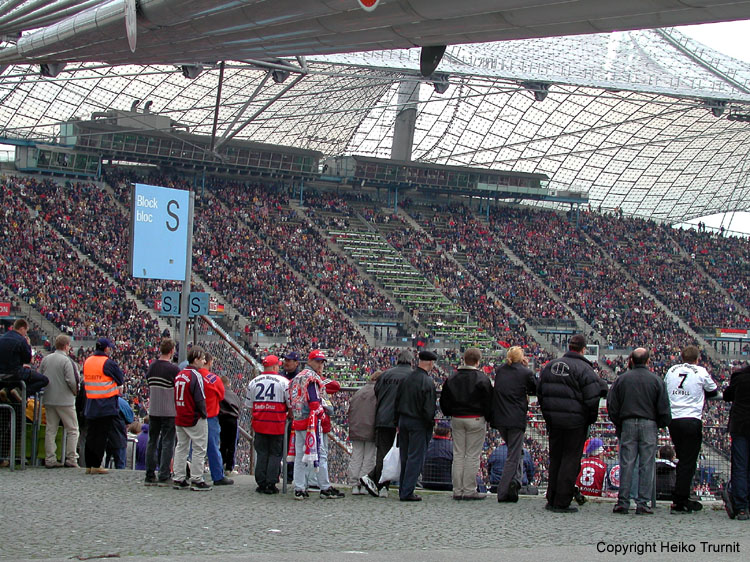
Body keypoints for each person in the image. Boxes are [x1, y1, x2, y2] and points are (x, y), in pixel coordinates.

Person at [537, 334, 603, 513]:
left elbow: (540, 394)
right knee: (570, 460)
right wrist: (588, 419)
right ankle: (562, 500)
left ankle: (551, 497)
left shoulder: (549, 366)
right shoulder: (585, 369)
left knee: (556, 459)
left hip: (554, 421)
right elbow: (592, 398)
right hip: (575, 423)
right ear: (583, 349)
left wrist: (548, 416)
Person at [607, 347, 671, 514]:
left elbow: (612, 404)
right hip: (649, 424)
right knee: (647, 464)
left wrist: (619, 423)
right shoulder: (656, 380)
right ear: (648, 361)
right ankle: (643, 503)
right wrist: (659, 423)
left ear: (631, 360)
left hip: (627, 423)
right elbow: (664, 407)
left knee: (627, 463)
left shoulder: (622, 380)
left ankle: (623, 502)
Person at [664, 345, 718, 513]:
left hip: (674, 419)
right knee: (688, 461)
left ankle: (680, 496)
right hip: (691, 419)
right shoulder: (700, 372)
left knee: (681, 457)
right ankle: (680, 499)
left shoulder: (672, 370)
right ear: (697, 359)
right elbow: (713, 390)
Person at [288, 349, 344, 499]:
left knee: (300, 456)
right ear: (310, 361)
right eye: (317, 361)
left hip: (298, 420)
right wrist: (322, 413)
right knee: (320, 454)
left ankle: (299, 487)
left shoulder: (296, 377)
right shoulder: (311, 377)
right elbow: (314, 401)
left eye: (322, 362)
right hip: (311, 422)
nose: (320, 364)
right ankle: (325, 487)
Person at [439, 347, 491, 500]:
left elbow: (444, 401)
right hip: (475, 419)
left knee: (458, 455)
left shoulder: (452, 378)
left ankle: (457, 490)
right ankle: (469, 490)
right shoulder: (482, 379)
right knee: (472, 456)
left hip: (457, 418)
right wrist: (487, 417)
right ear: (477, 361)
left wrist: (450, 413)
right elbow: (489, 402)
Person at [360, 349, 414, 498]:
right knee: (400, 454)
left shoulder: (385, 375)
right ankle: (373, 479)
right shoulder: (411, 376)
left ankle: (380, 484)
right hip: (401, 420)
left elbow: (377, 392)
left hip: (382, 418)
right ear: (411, 361)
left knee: (383, 453)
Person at [490, 345, 537, 503]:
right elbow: (535, 388)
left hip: (501, 418)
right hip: (515, 419)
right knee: (513, 456)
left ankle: (515, 484)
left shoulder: (501, 370)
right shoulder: (525, 372)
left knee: (517, 452)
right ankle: (503, 491)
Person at [394, 350, 438, 502]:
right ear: (431, 363)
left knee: (405, 457)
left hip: (403, 420)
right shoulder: (427, 382)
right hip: (418, 423)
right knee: (415, 458)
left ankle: (403, 489)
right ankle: (407, 491)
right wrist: (429, 424)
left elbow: (397, 400)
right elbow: (429, 409)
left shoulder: (407, 379)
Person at [245, 354, 290, 494]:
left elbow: (249, 405)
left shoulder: (253, 382)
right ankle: (271, 482)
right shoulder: (283, 382)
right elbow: (290, 403)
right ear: (275, 366)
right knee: (275, 454)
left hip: (259, 424)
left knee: (262, 453)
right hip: (277, 423)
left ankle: (261, 482)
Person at [82, 337, 124, 475]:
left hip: (90, 403)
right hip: (105, 405)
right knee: (101, 436)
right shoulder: (108, 363)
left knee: (91, 435)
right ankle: (96, 465)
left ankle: (88, 465)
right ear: (106, 348)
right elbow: (120, 379)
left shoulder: (87, 361)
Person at [172, 346, 211, 491]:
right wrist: (204, 413)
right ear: (195, 360)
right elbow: (200, 397)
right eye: (202, 359)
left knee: (181, 446)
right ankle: (196, 478)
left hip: (180, 414)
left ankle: (178, 477)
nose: (204, 361)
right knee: (199, 448)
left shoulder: (180, 374)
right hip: (193, 416)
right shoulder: (196, 376)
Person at [39, 334, 80, 468]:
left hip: (49, 398)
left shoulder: (46, 359)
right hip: (65, 400)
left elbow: (41, 375)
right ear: (66, 346)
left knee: (51, 429)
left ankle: (50, 458)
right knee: (73, 429)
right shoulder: (67, 361)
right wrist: (75, 392)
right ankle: (71, 458)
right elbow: (72, 380)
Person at [144, 338, 179, 486]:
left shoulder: (152, 367)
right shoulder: (173, 369)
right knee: (167, 442)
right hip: (169, 410)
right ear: (172, 351)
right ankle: (164, 474)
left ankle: (149, 474)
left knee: (152, 441)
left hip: (154, 409)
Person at [198, 352, 232, 486]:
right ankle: (217, 476)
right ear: (209, 362)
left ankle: (189, 473)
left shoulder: (193, 376)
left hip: (194, 416)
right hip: (210, 416)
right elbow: (221, 396)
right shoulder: (214, 378)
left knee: (191, 447)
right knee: (212, 447)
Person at [724, 361, 750, 520]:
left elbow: (727, 396)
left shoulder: (740, 377)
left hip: (740, 427)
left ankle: (741, 507)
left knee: (740, 466)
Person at [347, 370, 380, 495]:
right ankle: (364, 483)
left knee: (356, 456)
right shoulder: (377, 393)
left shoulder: (359, 391)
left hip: (356, 427)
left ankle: (354, 483)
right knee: (369, 457)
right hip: (370, 427)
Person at [0, 318, 48, 400]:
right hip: (15, 372)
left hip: (2, 372)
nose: (25, 334)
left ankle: (7, 390)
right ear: (22, 328)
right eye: (26, 331)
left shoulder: (2, 337)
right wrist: (28, 345)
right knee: (44, 380)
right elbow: (28, 359)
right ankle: (21, 392)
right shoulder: (21, 340)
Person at [218, 374, 241, 475]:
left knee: (222, 443)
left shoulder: (219, 393)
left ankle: (221, 464)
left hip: (221, 418)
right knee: (232, 444)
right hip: (232, 420)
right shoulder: (233, 395)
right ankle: (229, 467)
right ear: (228, 384)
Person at [421, 422, 453, 491]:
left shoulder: (427, 444)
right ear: (448, 433)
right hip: (447, 484)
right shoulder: (452, 446)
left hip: (426, 483)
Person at [105, 395, 134, 469]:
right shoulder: (122, 403)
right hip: (118, 436)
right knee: (120, 465)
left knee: (103, 463)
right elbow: (130, 419)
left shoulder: (100, 401)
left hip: (103, 437)